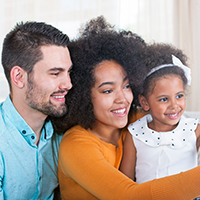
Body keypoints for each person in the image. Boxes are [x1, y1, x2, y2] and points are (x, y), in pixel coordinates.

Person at [52, 16, 200, 200]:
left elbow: (182, 126)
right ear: (83, 96)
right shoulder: (75, 145)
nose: (122, 99)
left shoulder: (137, 118)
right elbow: (129, 196)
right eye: (107, 90)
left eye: (127, 86)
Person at [0, 21, 72, 200]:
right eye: (55, 73)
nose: (68, 84)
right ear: (19, 77)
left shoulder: (63, 131)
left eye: (69, 72)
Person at [120, 43, 200, 187]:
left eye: (179, 96)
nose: (174, 105)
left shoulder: (194, 129)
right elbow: (126, 181)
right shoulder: (135, 134)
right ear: (145, 103)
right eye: (164, 99)